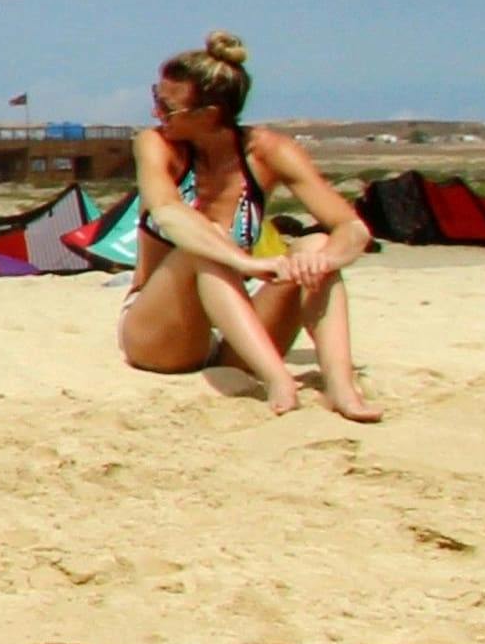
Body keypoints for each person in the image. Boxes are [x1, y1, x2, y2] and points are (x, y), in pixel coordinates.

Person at [117, 31, 375, 420]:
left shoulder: (269, 152)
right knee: (204, 239)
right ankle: (278, 379)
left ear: (208, 114)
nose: (155, 113)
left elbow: (352, 228)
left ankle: (340, 384)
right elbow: (169, 211)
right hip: (163, 332)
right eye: (157, 98)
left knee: (317, 244)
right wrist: (248, 264)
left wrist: (324, 261)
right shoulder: (156, 145)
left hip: (237, 332)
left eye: (166, 107)